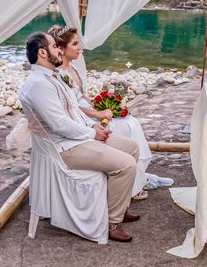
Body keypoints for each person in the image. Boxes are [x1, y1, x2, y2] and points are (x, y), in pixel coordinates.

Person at [18, 31, 140, 242]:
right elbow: (60, 125)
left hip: (78, 138)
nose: (58, 49)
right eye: (54, 46)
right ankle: (112, 222)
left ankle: (117, 205)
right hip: (65, 149)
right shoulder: (38, 84)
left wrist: (93, 125)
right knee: (127, 164)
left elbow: (74, 110)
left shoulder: (54, 77)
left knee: (131, 147)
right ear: (42, 52)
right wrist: (93, 133)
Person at [47, 25, 152, 200]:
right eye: (75, 44)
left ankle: (134, 180)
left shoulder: (73, 68)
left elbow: (82, 96)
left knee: (131, 121)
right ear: (62, 49)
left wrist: (101, 105)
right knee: (126, 126)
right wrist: (99, 115)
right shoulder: (59, 74)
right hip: (81, 119)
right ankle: (129, 183)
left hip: (89, 113)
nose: (80, 48)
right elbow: (71, 106)